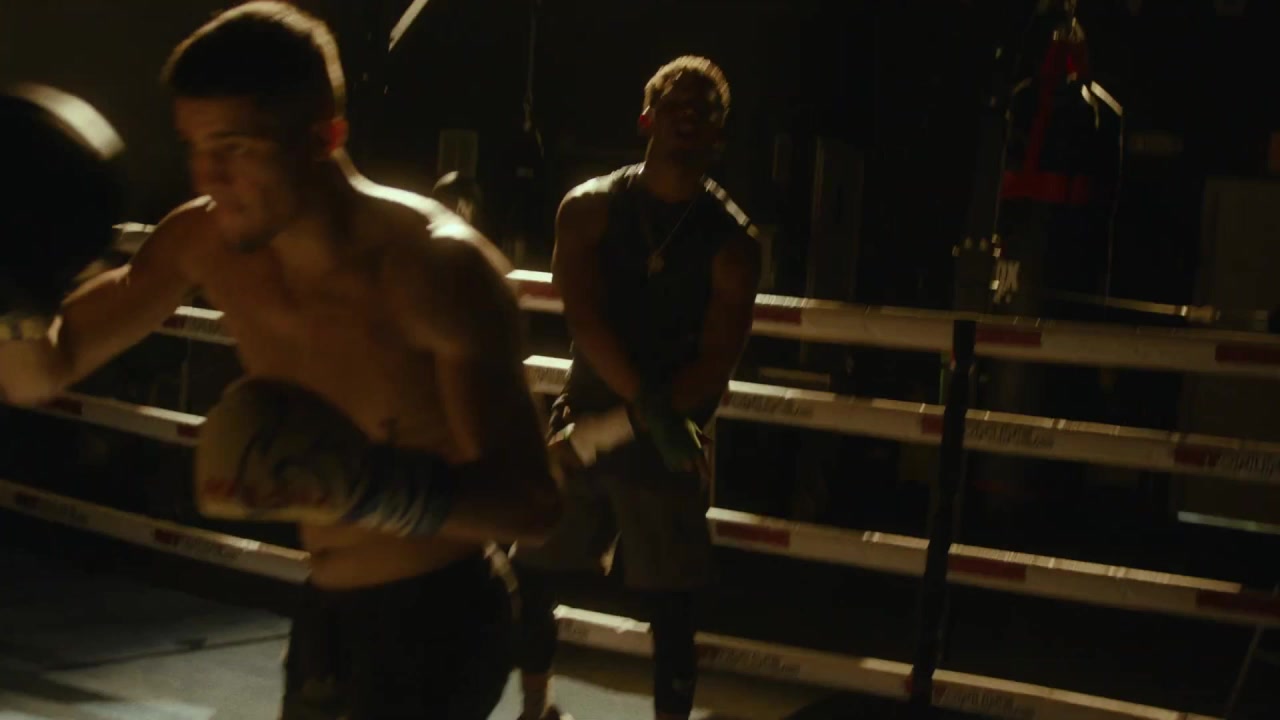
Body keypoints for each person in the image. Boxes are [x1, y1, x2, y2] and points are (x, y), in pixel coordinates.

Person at [0, 3, 562, 718]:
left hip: (441, 613)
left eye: (234, 147)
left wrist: (365, 487)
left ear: (324, 138)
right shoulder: (203, 240)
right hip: (325, 605)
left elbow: (531, 505)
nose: (208, 175)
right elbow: (39, 374)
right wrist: (10, 297)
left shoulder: (434, 270)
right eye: (194, 145)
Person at [511, 56, 762, 720]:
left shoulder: (732, 242)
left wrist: (620, 427)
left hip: (665, 432)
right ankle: (535, 710)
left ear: (719, 134)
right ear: (648, 117)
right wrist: (629, 417)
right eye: (677, 104)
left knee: (672, 610)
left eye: (704, 110)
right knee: (531, 574)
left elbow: (716, 361)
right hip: (602, 410)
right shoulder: (590, 207)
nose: (690, 117)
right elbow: (585, 320)